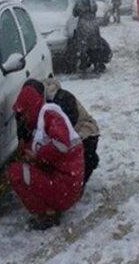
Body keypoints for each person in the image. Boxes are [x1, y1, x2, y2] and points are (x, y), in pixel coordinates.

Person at [7, 80, 85, 230]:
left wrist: (37, 156)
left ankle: (47, 214)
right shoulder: (44, 119)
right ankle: (51, 207)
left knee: (17, 173)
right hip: (68, 183)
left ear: (31, 108)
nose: (23, 117)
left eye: (24, 113)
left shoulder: (50, 115)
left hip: (65, 186)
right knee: (24, 169)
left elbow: (61, 145)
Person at [44, 77, 100, 184]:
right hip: (84, 132)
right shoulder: (55, 97)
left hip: (86, 132)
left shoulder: (62, 100)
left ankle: (88, 163)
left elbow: (66, 129)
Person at [73, 0, 105, 73]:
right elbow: (95, 9)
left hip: (83, 25)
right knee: (94, 46)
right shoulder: (92, 0)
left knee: (82, 47)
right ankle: (96, 66)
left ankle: (83, 68)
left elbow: (74, 13)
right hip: (93, 24)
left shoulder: (79, 1)